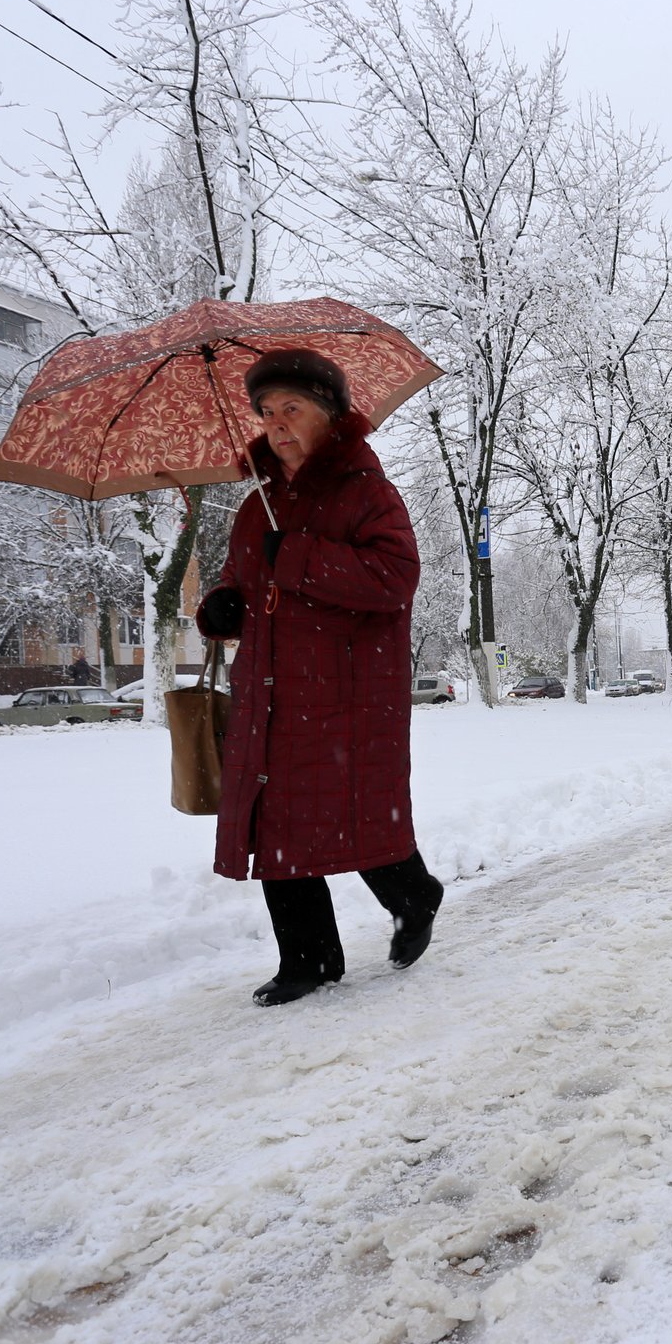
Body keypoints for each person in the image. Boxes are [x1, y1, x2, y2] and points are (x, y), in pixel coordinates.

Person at [195, 348, 445, 1007]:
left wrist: (300, 555)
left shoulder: (367, 493)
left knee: (357, 814)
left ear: (328, 414)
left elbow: (395, 579)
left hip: (348, 696)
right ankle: (308, 960)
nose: (276, 424)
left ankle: (416, 898)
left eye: (292, 409)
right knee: (276, 822)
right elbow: (240, 587)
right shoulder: (257, 509)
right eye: (267, 412)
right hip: (272, 695)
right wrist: (220, 609)